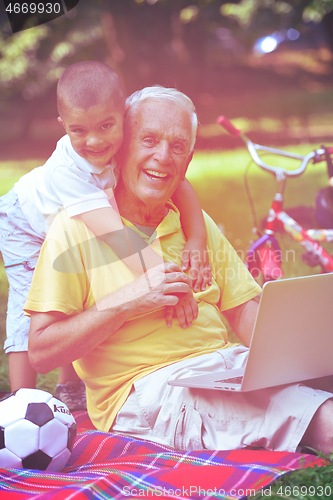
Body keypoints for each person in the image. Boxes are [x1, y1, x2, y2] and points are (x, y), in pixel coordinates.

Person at [26, 86, 333, 454]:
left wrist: (302, 348)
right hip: (149, 388)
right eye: (149, 140)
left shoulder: (195, 225)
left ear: (188, 161)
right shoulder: (76, 227)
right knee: (316, 415)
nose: (163, 157)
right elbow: (42, 351)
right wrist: (128, 301)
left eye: (177, 146)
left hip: (226, 369)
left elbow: (244, 313)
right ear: (121, 151)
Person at [0, 62, 210, 407]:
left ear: (123, 114)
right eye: (78, 131)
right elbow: (116, 236)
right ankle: (21, 402)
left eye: (105, 126)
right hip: (25, 224)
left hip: (71, 221)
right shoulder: (70, 173)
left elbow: (180, 182)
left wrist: (198, 239)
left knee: (79, 292)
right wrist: (173, 283)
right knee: (32, 308)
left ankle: (70, 388)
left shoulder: (127, 133)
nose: (95, 141)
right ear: (62, 126)